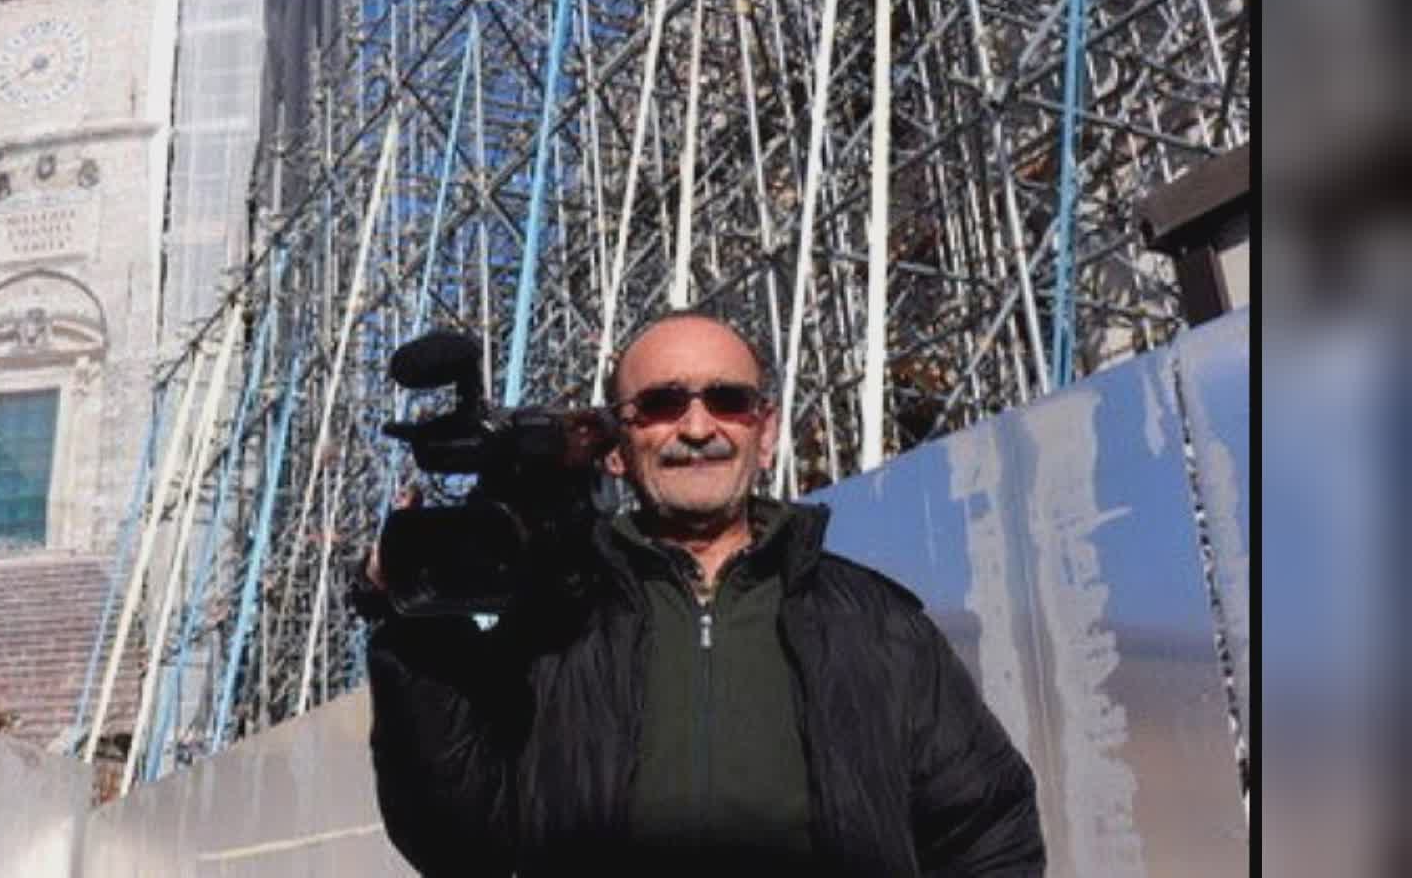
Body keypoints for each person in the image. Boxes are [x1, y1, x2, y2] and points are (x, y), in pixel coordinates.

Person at [355, 310, 1043, 875]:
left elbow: (988, 831)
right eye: (659, 404)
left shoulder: (876, 625)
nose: (696, 427)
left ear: (765, 433)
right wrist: (417, 620)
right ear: (616, 448)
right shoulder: (553, 629)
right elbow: (453, 840)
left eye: (728, 400)